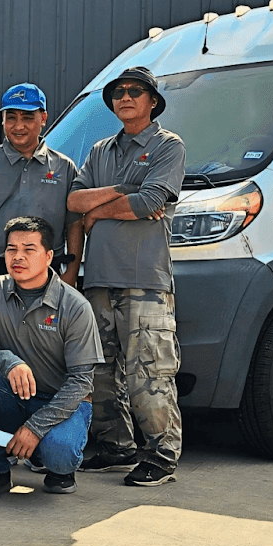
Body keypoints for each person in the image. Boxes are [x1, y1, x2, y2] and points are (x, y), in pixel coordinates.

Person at [66, 66, 186, 486]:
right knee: (100, 371)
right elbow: (73, 199)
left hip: (145, 281)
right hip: (97, 280)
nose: (125, 97)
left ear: (152, 101)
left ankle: (162, 453)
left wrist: (97, 210)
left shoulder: (168, 146)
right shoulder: (100, 150)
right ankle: (117, 445)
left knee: (148, 371)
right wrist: (122, 192)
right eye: (118, 92)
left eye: (135, 91)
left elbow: (152, 199)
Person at [0, 216, 102, 500]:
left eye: (28, 249)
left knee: (58, 454)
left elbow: (82, 381)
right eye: (11, 249)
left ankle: (53, 462)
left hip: (61, 402)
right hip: (12, 397)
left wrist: (36, 428)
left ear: (49, 256)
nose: (18, 257)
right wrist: (8, 362)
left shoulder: (75, 306)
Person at [0, 82, 83, 307]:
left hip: (46, 274)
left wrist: (70, 274)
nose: (18, 126)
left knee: (43, 341)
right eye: (11, 117)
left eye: (27, 117)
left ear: (43, 118)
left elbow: (75, 225)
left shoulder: (65, 168)